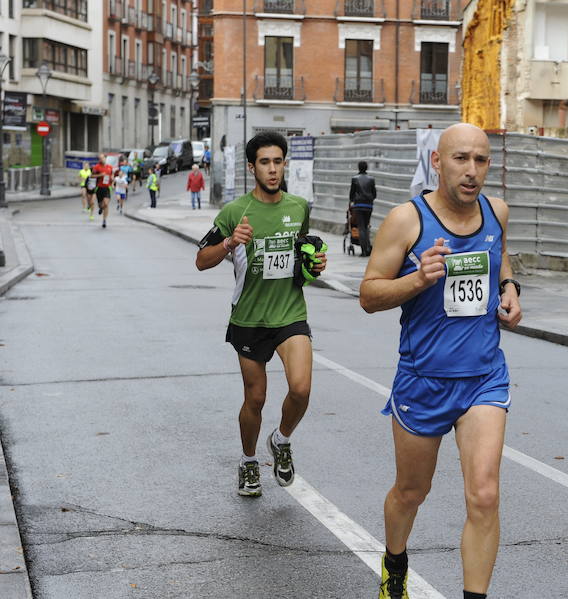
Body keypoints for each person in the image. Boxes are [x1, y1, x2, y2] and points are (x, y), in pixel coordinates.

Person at [359, 123, 522, 599]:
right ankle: (395, 564)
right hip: (423, 380)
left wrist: (510, 289)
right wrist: (418, 280)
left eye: (481, 160)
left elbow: (501, 256)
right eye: (461, 159)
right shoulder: (406, 221)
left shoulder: (498, 212)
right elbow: (368, 294)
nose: (472, 172)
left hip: (484, 378)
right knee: (411, 492)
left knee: (485, 494)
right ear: (437, 162)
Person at [195, 131, 327, 498]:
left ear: (286, 164)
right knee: (255, 399)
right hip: (249, 319)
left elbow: (303, 259)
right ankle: (249, 462)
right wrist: (229, 242)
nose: (272, 169)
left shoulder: (299, 207)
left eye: (278, 161)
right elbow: (201, 261)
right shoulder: (235, 212)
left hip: (289, 313)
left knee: (300, 389)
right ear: (252, 167)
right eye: (265, 163)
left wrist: (315, 265)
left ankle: (281, 440)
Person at [349, 160, 376, 256]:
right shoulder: (371, 179)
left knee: (361, 227)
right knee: (366, 226)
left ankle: (364, 250)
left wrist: (352, 201)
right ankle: (368, 247)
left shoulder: (355, 179)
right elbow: (374, 194)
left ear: (358, 168)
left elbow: (352, 194)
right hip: (368, 206)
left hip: (358, 206)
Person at [92, 153, 114, 228]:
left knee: (106, 204)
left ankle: (104, 220)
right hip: (99, 188)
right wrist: (100, 175)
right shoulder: (96, 167)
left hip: (107, 188)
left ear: (105, 158)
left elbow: (112, 175)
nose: (101, 159)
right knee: (101, 204)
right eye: (100, 158)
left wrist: (112, 180)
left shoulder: (110, 167)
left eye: (102, 158)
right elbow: (92, 176)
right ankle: (101, 208)